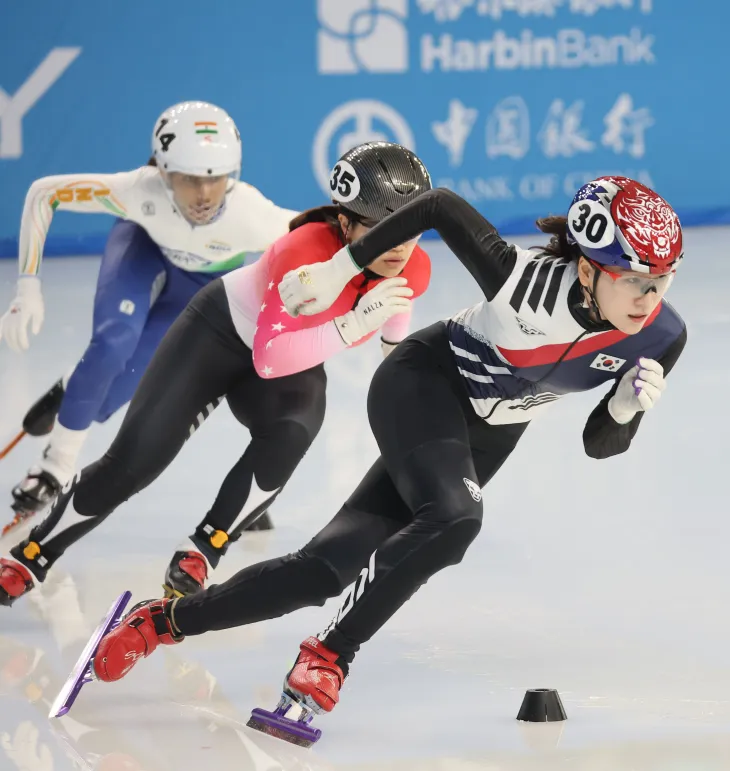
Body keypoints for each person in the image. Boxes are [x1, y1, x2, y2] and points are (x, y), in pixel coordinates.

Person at [58, 176, 686, 731]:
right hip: (425, 383)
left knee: (322, 570)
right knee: (458, 519)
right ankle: (329, 656)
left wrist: (625, 411)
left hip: (488, 434)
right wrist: (340, 268)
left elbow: (598, 443)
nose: (647, 299)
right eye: (633, 280)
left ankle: (161, 622)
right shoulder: (520, 279)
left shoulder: (663, 335)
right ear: (586, 270)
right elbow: (437, 204)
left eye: (660, 281)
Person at [0, 141, 433, 605]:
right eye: (382, 228)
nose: (399, 245)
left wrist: (397, 372)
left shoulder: (414, 265)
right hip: (218, 335)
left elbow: (395, 327)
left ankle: (205, 548)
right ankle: (31, 555)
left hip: (293, 358)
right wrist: (350, 327)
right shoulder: (302, 251)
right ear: (345, 223)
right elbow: (268, 358)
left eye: (409, 229)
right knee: (134, 463)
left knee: (293, 432)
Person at [0, 101, 298, 536]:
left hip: (201, 286)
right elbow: (43, 194)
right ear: (161, 171)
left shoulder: (254, 215)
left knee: (118, 387)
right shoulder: (138, 190)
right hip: (143, 248)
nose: (203, 194)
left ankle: (71, 385)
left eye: (215, 179)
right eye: (189, 179)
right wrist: (28, 285)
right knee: (112, 342)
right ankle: (55, 465)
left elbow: (332, 242)